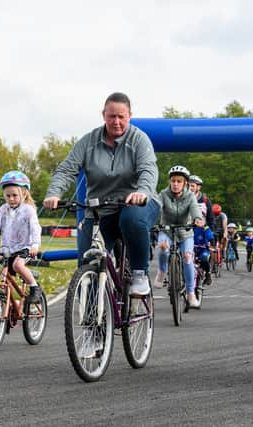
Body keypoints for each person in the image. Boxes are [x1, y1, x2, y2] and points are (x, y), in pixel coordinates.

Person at [43, 92, 160, 296]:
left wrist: (142, 191)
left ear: (129, 116)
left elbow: (148, 170)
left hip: (137, 204)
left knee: (131, 219)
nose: (116, 121)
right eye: (111, 116)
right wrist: (54, 193)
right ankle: (91, 318)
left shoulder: (139, 140)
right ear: (103, 115)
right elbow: (66, 170)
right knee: (87, 260)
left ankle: (139, 274)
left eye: (121, 117)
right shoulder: (88, 142)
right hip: (100, 209)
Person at [0, 171, 42, 303]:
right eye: (8, 196)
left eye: (15, 195)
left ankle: (34, 287)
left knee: (17, 265)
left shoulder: (28, 210)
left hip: (25, 248)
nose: (11, 199)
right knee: (5, 275)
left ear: (24, 193)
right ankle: (7, 306)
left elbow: (35, 228)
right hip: (8, 249)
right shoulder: (3, 209)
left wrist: (34, 245)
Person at [154, 166, 205, 307]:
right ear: (170, 182)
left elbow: (195, 209)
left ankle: (190, 293)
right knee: (163, 248)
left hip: (185, 232)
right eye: (173, 181)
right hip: (167, 230)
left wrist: (197, 219)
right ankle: (162, 271)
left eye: (179, 181)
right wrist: (148, 220)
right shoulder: (163, 194)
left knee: (188, 258)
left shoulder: (190, 196)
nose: (175, 184)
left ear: (185, 183)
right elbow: (156, 208)